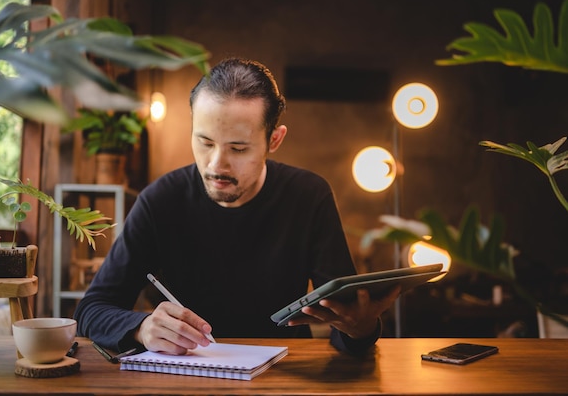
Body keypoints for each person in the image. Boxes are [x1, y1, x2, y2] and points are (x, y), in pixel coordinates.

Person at [74, 57, 399, 356]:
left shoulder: (308, 196)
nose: (217, 165)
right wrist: (142, 327)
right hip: (183, 378)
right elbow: (91, 310)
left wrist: (362, 329)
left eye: (238, 148)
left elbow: (345, 319)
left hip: (283, 376)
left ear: (274, 139)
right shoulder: (160, 200)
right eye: (204, 142)